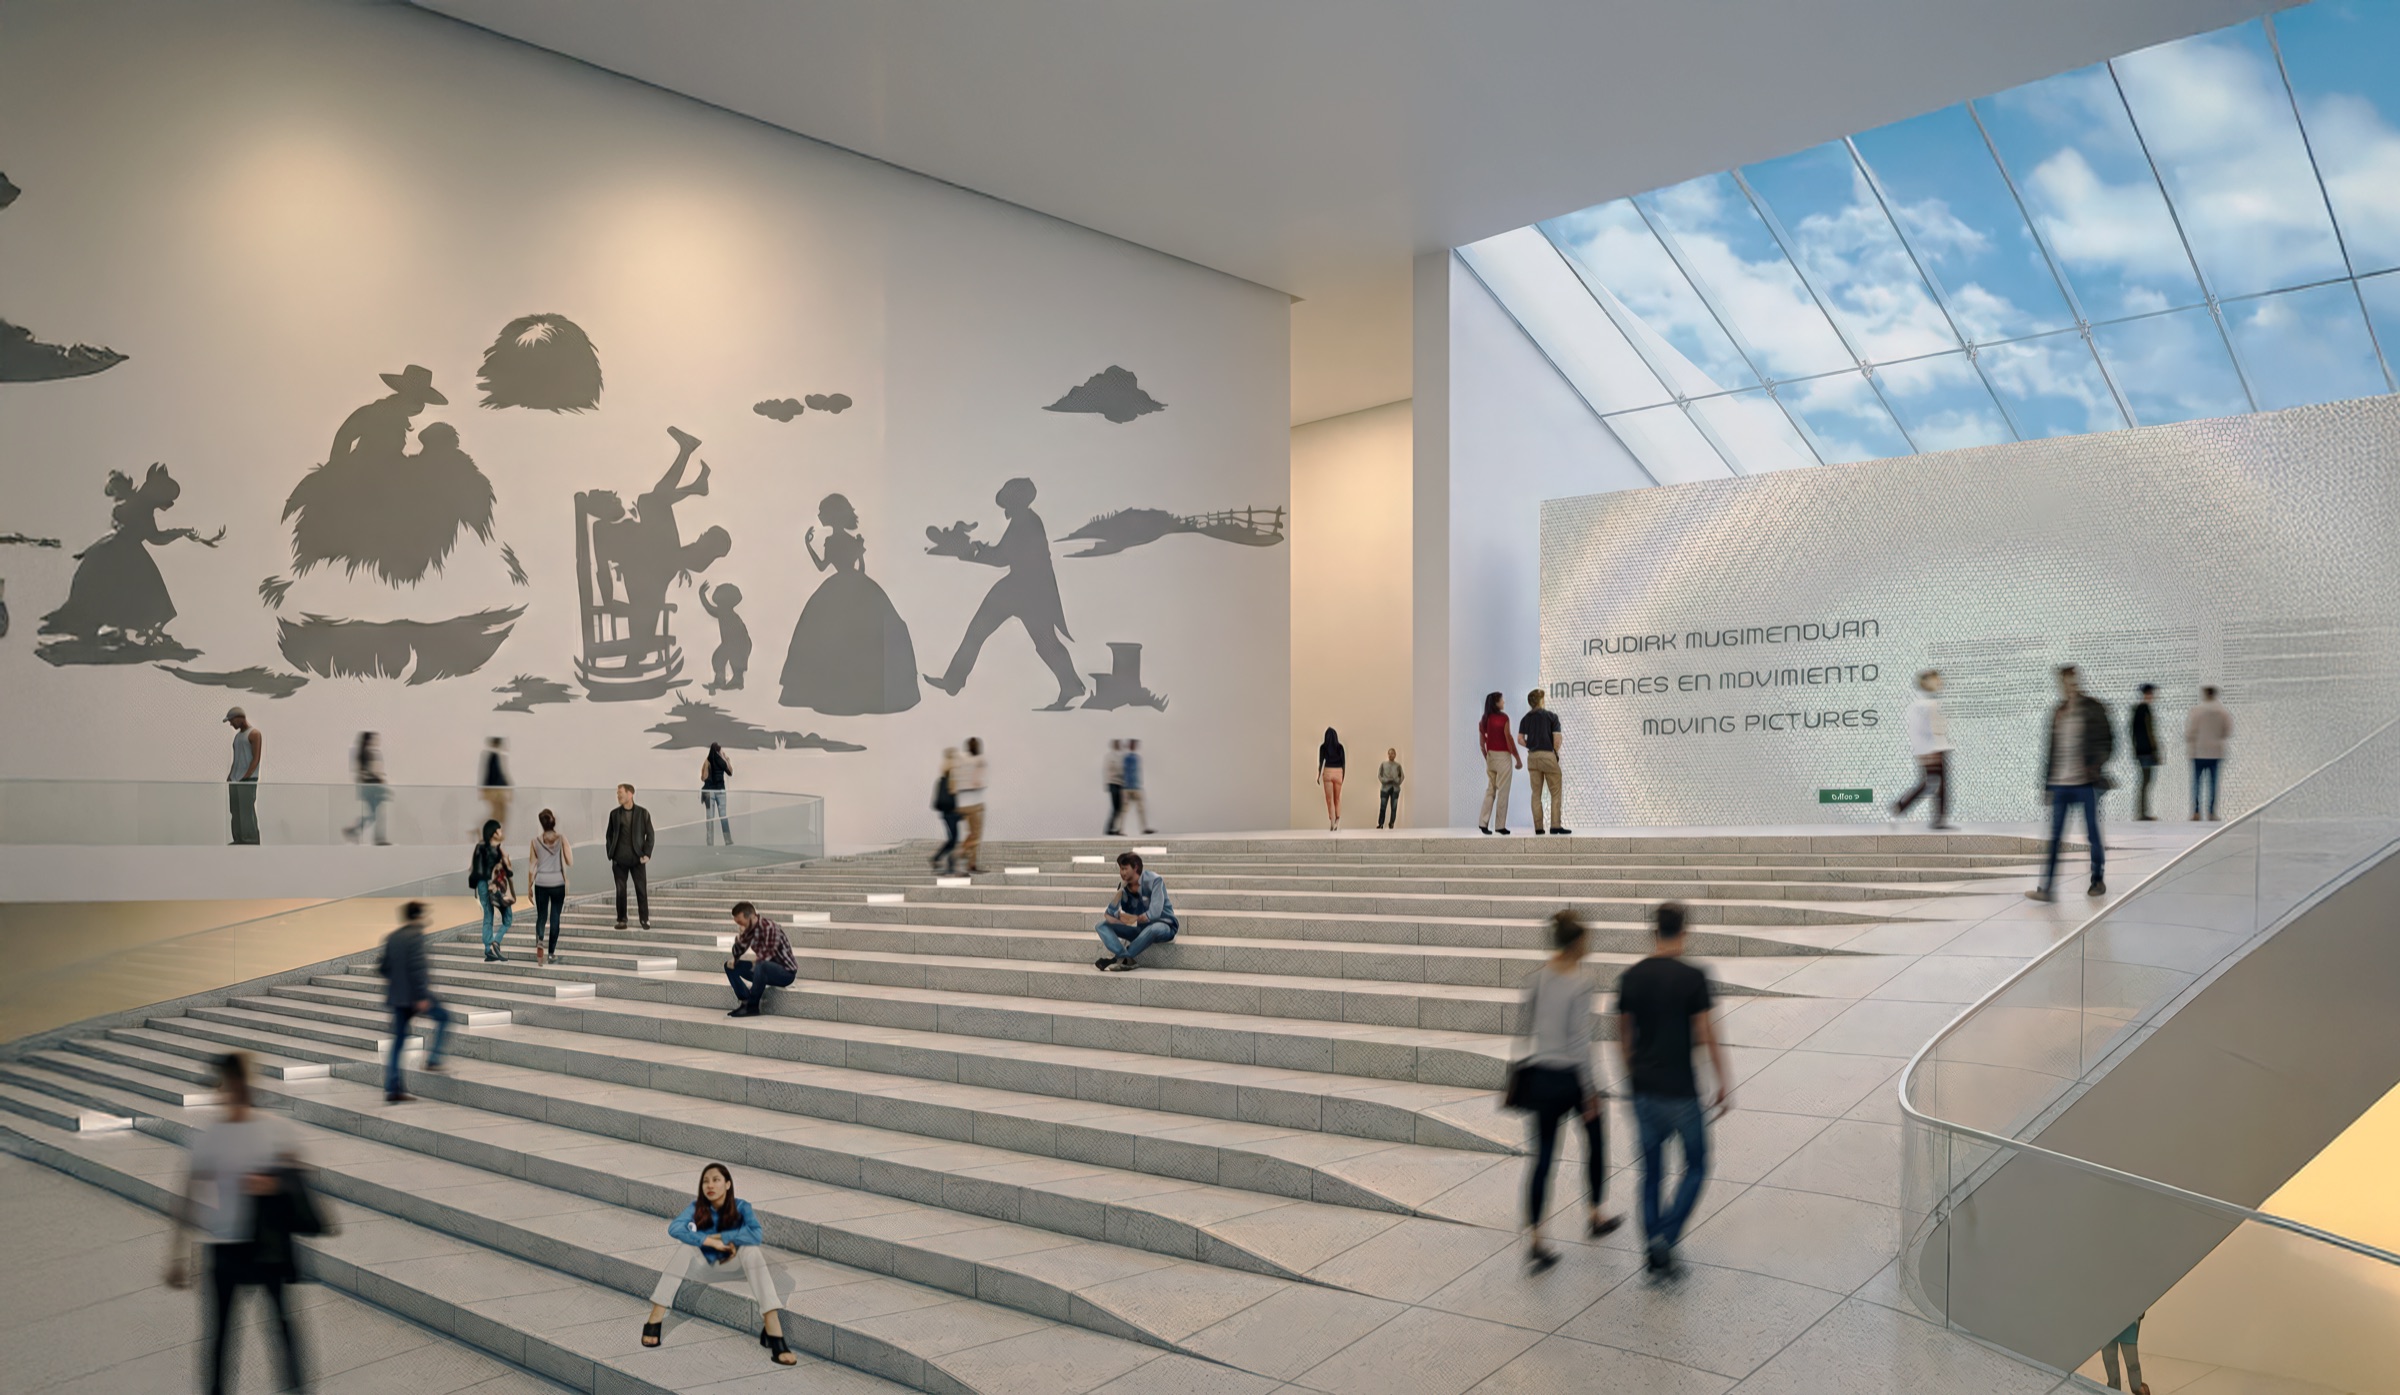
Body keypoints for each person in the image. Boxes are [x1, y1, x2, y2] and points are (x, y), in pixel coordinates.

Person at [165, 1052, 309, 1395]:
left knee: (280, 1329)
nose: (234, 1090)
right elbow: (186, 1195)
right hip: (225, 1246)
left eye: (238, 1082)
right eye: (231, 1083)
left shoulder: (274, 1130)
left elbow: (298, 1180)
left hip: (267, 1245)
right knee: (221, 1336)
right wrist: (176, 1254)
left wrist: (273, 1184)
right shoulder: (210, 1138)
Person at [1615, 901, 1731, 1279]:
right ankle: (1665, 1238)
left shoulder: (1630, 977)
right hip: (1681, 1089)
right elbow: (1705, 1032)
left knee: (1651, 1172)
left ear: (1654, 932)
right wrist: (1721, 1078)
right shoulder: (1693, 977)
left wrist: (1633, 1078)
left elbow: (1623, 1038)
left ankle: (1653, 1243)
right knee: (1696, 1164)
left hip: (1645, 1089)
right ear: (1683, 932)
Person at [1516, 910, 1622, 1273]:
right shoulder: (1581, 982)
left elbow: (1527, 1028)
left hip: (1542, 1077)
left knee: (1543, 1158)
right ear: (1577, 943)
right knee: (1595, 1141)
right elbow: (1580, 1042)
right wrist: (1591, 1092)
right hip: (1571, 1079)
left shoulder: (1536, 980)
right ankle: (1594, 1214)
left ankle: (1536, 1238)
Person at [922, 477, 1082, 709]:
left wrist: (970, 552)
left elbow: (1001, 558)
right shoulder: (1024, 519)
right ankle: (953, 680)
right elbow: (1003, 555)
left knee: (1042, 642)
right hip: (1023, 588)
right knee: (988, 633)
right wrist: (973, 551)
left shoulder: (1026, 521)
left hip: (1027, 590)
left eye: (1008, 499)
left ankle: (1071, 686)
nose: (1005, 505)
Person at [640, 1164, 798, 1366]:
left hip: (736, 1264)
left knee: (753, 1251)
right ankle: (656, 1316)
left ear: (728, 1184)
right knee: (684, 1249)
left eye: (716, 1180)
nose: (710, 1185)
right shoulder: (697, 1207)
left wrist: (718, 1236)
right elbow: (675, 1228)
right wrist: (709, 1242)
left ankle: (773, 1328)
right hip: (707, 1265)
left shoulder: (742, 1207)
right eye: (706, 1181)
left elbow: (755, 1234)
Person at [781, 493, 919, 713]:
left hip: (843, 586)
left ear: (832, 515)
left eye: (822, 511)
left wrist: (808, 545)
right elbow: (860, 569)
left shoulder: (834, 541)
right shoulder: (848, 541)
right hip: (858, 584)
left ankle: (842, 694)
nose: (819, 515)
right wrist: (859, 551)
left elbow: (821, 566)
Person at [2027, 665, 2114, 903]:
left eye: (2071, 681)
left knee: (2092, 834)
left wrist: (2095, 765)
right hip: (2060, 784)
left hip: (2085, 783)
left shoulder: (2093, 708)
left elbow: (2108, 741)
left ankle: (2097, 879)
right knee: (2054, 837)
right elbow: (2051, 751)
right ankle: (2047, 887)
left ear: (2077, 681)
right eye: (2064, 682)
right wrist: (2047, 785)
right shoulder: (2058, 712)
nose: (2068, 686)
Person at [379, 901, 451, 1102]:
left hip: (398, 998)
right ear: (418, 917)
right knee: (444, 1017)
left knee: (398, 1042)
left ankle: (393, 1088)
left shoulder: (392, 937)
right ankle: (434, 1059)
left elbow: (383, 968)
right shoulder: (415, 937)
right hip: (415, 997)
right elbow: (418, 968)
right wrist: (420, 996)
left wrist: (397, 982)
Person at [1093, 850, 1178, 972]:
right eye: (1120, 869)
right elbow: (1110, 914)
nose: (1122, 872)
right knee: (1101, 926)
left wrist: (1132, 918)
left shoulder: (1154, 880)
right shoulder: (1124, 887)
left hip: (1164, 926)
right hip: (1138, 927)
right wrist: (1119, 893)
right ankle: (1125, 958)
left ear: (1135, 867)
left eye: (1125, 868)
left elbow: (1155, 912)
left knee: (1154, 928)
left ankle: (1119, 958)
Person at [1893, 670, 1955, 830]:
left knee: (1930, 783)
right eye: (1936, 680)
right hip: (1933, 750)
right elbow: (1924, 730)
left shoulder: (1923, 705)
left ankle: (1902, 806)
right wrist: (1931, 752)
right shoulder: (1925, 705)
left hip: (1931, 749)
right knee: (1938, 784)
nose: (1940, 683)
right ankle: (1937, 819)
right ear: (1927, 682)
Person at [723, 901, 798, 1018]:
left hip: (785, 973)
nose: (740, 925)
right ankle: (745, 1001)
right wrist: (740, 939)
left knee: (761, 964)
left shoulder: (769, 927)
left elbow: (767, 955)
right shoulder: (749, 928)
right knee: (730, 966)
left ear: (752, 917)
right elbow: (738, 952)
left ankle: (753, 1006)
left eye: (741, 922)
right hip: (763, 972)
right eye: (737, 923)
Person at [1520, 690, 1570, 835]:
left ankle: (1539, 828)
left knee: (1536, 793)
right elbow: (1557, 741)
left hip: (1533, 757)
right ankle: (1555, 826)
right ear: (1541, 701)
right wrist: (1554, 752)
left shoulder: (1525, 719)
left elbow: (1520, 739)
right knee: (1555, 792)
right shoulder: (1551, 717)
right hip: (1548, 756)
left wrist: (1531, 745)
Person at [607, 783, 655, 929]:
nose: (618, 796)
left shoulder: (643, 813)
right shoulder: (614, 814)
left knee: (641, 889)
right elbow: (609, 835)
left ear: (630, 794)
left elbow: (650, 835)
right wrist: (611, 853)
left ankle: (644, 919)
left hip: (637, 859)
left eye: (620, 793)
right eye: (617, 793)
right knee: (620, 891)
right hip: (619, 860)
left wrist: (647, 854)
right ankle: (622, 919)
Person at [529, 809, 572, 967]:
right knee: (555, 918)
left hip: (541, 882)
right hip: (557, 882)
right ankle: (551, 953)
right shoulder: (561, 839)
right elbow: (569, 861)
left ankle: (540, 941)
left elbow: (531, 866)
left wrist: (529, 887)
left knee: (541, 916)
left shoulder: (535, 841)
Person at [470, 819, 516, 962]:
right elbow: (507, 871)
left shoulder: (479, 846)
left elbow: (474, 867)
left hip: (481, 885)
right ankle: (496, 941)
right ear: (494, 832)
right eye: (499, 829)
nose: (501, 832)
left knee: (488, 916)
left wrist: (475, 888)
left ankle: (488, 949)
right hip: (494, 886)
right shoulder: (497, 849)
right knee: (508, 918)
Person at [1477, 692, 1520, 836]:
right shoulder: (1503, 718)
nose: (1504, 702)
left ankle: (1483, 822)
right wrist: (1517, 758)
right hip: (1503, 757)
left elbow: (1482, 743)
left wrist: (1488, 757)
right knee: (1503, 791)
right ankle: (1500, 826)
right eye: (1501, 700)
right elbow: (1508, 738)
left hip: (1491, 757)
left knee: (1490, 789)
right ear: (1496, 702)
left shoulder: (1484, 719)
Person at [2187, 685, 2232, 822]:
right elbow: (2227, 731)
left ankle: (2196, 812)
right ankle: (2211, 812)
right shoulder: (2222, 712)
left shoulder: (2196, 711)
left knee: (2196, 783)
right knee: (2213, 784)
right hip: (2215, 752)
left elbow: (2190, 732)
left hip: (2198, 752)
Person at [225, 707, 263, 845]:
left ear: (240, 717)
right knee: (235, 810)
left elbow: (256, 758)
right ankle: (238, 838)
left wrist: (246, 776)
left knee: (246, 810)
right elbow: (236, 758)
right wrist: (231, 775)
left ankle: (250, 839)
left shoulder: (254, 734)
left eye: (232, 720)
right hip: (235, 779)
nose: (231, 724)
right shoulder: (237, 737)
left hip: (247, 779)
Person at [344, 730, 389, 845]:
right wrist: (379, 780)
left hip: (370, 788)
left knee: (374, 815)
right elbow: (367, 773)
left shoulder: (364, 753)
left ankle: (357, 831)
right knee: (375, 815)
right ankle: (377, 838)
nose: (376, 741)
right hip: (371, 788)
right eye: (373, 739)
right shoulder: (366, 754)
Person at [953, 738, 987, 873]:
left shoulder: (960, 759)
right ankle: (960, 853)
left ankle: (970, 863)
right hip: (975, 804)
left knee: (971, 834)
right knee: (976, 836)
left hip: (960, 804)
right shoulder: (978, 760)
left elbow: (954, 780)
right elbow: (977, 782)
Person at [2130, 684, 2162, 822]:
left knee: (2145, 781)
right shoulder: (2144, 709)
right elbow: (2148, 733)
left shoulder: (2138, 709)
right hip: (2146, 751)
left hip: (2142, 751)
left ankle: (2142, 811)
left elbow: (2133, 732)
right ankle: (2142, 812)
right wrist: (2154, 749)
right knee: (2146, 781)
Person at [931, 747, 962, 874]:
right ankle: (943, 861)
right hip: (952, 810)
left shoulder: (944, 768)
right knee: (954, 838)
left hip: (945, 810)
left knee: (953, 838)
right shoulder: (953, 769)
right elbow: (954, 790)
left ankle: (941, 860)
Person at [2101, 1312, 2149, 1394]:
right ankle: (2113, 1389)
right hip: (2107, 1321)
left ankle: (2137, 1387)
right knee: (2110, 1361)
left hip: (2128, 1322)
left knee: (2132, 1363)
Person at [701, 741, 734, 846]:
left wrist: (706, 765)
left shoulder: (708, 761)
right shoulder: (721, 761)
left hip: (709, 792)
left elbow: (703, 778)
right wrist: (726, 759)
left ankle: (710, 843)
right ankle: (728, 840)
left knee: (709, 819)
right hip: (720, 791)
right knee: (723, 817)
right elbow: (730, 772)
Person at [1121, 738, 1155, 835]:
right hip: (1127, 787)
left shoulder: (1137, 757)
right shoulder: (1126, 757)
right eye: (1132, 744)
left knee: (1141, 808)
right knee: (1124, 810)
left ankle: (1144, 828)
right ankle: (1120, 829)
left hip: (1136, 786)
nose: (1134, 746)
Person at [1316, 727, 1345, 831]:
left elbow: (1321, 762)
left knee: (1329, 799)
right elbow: (1343, 763)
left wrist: (1319, 775)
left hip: (1327, 772)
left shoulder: (1323, 747)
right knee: (1337, 798)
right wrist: (1343, 776)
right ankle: (1337, 820)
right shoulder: (1340, 747)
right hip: (1338, 772)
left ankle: (1332, 821)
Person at [480, 736, 510, 833]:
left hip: (495, 789)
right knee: (497, 814)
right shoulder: (494, 757)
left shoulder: (494, 756)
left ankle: (493, 832)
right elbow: (494, 775)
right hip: (495, 790)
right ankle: (488, 831)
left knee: (499, 814)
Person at [1377, 748, 1404, 829]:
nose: (1391, 755)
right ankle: (1381, 824)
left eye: (1392, 753)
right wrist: (1385, 780)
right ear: (1387, 754)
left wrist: (1397, 781)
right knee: (1383, 807)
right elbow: (1379, 775)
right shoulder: (1383, 764)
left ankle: (1391, 823)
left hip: (1395, 788)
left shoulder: (1398, 765)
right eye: (1389, 753)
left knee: (1394, 807)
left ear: (1395, 755)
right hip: (1385, 788)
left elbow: (1402, 776)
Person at [1104, 738, 1127, 835]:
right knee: (1116, 807)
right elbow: (1111, 770)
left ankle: (1114, 828)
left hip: (1120, 784)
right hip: (1113, 783)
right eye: (1117, 743)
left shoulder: (1121, 756)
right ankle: (1110, 829)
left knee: (1120, 808)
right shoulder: (1110, 756)